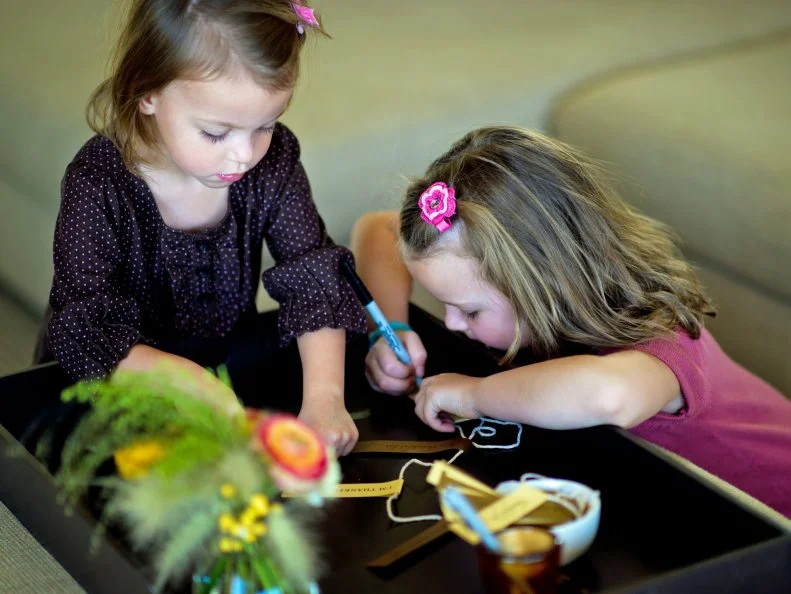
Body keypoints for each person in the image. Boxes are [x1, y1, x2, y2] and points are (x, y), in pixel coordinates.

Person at [351, 125, 791, 516]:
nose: (451, 324)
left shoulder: (662, 340)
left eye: (469, 311)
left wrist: (476, 394)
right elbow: (378, 230)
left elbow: (606, 394)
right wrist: (393, 329)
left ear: (543, 284)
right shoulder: (505, 275)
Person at [35, 0, 366, 455]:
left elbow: (313, 275)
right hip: (107, 385)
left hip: (226, 366)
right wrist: (190, 384)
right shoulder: (98, 182)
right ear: (147, 93)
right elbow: (86, 324)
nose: (244, 155)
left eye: (266, 125)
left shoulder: (274, 162)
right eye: (215, 133)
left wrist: (325, 399)